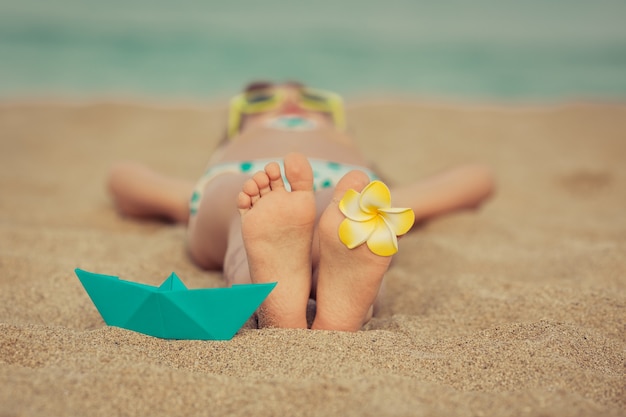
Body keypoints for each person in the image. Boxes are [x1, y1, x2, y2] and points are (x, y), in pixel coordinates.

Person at [107, 81, 494, 332]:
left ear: (343, 130)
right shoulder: (226, 162)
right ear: (234, 129)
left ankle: (286, 301)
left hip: (337, 184)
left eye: (314, 101)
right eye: (261, 100)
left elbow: (475, 179)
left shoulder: (362, 170)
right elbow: (127, 182)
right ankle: (329, 305)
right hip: (244, 181)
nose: (290, 102)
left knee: (347, 214)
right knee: (349, 221)